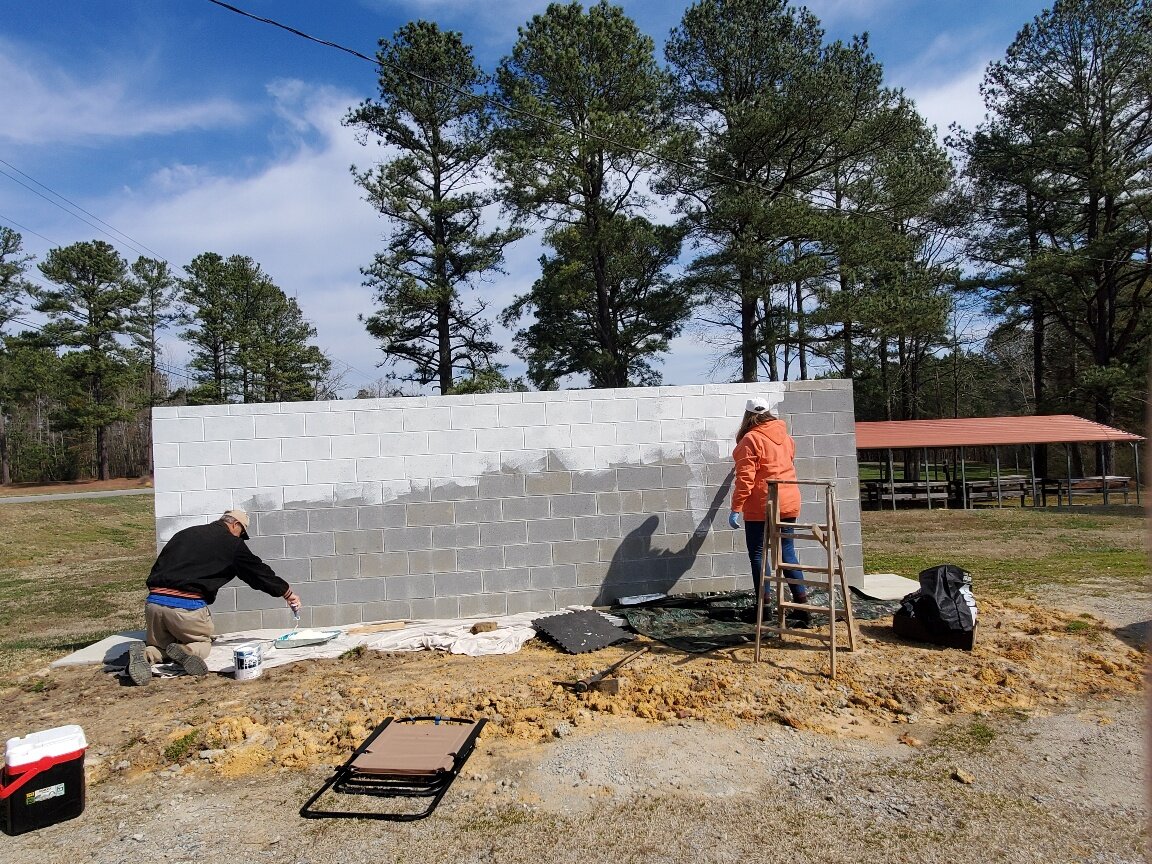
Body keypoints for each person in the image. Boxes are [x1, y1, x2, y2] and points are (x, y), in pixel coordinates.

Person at [125, 508, 301, 685]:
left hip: (154, 605)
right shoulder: (232, 544)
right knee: (201, 644)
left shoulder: (184, 534)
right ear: (235, 524)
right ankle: (184, 651)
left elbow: (159, 566)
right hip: (187, 609)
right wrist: (287, 592)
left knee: (160, 646)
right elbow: (258, 574)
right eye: (241, 533)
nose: (240, 538)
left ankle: (146, 654)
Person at [728, 396, 810, 627]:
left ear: (747, 415)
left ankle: (764, 610)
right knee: (787, 554)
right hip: (789, 500)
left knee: (758, 555)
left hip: (763, 505)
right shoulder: (785, 437)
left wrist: (736, 508)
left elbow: (745, 479)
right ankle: (802, 608)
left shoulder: (750, 440)